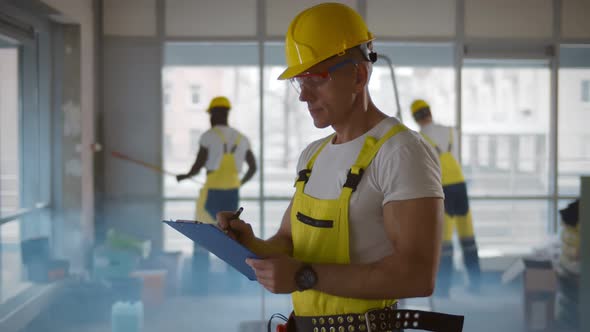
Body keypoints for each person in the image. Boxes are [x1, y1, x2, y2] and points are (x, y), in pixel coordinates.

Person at [217, 4, 463, 332]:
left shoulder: (401, 153)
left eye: (316, 78)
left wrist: (304, 275)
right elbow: (288, 242)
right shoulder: (312, 156)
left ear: (359, 75)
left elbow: (417, 276)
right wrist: (250, 243)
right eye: (299, 81)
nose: (304, 95)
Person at [177, 96, 256, 294]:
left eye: (211, 114)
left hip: (212, 193)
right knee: (231, 236)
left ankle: (200, 286)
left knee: (202, 234)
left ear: (215, 114)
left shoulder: (209, 136)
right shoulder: (241, 138)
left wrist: (184, 176)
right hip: (231, 194)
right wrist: (239, 182)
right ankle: (234, 285)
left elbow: (198, 166)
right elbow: (253, 168)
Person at [410, 99, 481, 296]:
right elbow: (456, 157)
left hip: (443, 188)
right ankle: (477, 286)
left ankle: (443, 290)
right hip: (460, 185)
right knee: (468, 238)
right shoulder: (450, 130)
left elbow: (424, 169)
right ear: (430, 112)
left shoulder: (421, 137)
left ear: (415, 118)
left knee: (445, 243)